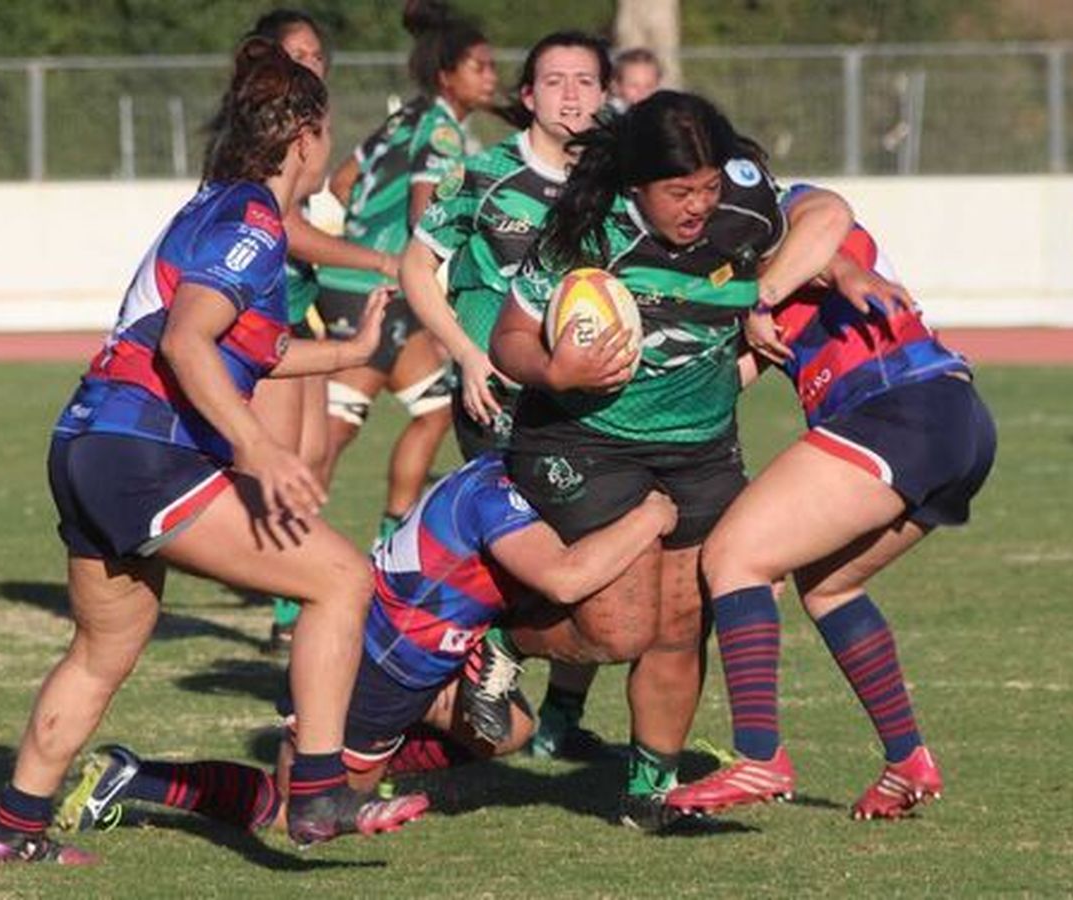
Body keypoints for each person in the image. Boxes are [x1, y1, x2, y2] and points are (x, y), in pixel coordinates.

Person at [0, 39, 395, 865]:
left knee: (102, 653)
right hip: (144, 450)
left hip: (88, 444)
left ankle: (12, 830)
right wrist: (261, 449)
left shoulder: (218, 205)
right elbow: (189, 340)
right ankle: (317, 791)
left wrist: (351, 351)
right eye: (327, 135)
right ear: (305, 135)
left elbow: (250, 347)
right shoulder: (251, 223)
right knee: (343, 580)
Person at [483, 90, 857, 830]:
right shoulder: (585, 235)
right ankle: (495, 639)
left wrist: (813, 279)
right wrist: (558, 373)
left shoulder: (742, 214)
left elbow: (830, 214)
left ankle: (648, 794)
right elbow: (508, 342)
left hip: (700, 446)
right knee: (619, 628)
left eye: (709, 187)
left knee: (683, 623)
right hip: (581, 438)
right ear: (635, 188)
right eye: (679, 192)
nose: (697, 206)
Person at [57, 455, 677, 839]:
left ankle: (363, 768)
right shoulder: (495, 498)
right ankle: (132, 777)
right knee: (296, 819)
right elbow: (568, 577)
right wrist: (652, 516)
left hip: (419, 663)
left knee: (510, 730)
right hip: (377, 669)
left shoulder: (493, 475)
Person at [665, 200, 994, 820]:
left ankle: (759, 756)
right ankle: (906, 760)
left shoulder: (779, 223)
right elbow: (733, 373)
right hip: (954, 422)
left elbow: (823, 237)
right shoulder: (740, 273)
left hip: (899, 406)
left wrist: (800, 286)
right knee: (830, 586)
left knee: (736, 556)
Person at [403, 30, 617, 760]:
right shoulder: (485, 173)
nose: (571, 95)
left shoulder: (618, 181)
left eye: (585, 81)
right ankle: (476, 658)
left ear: (605, 93)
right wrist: (463, 354)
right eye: (554, 80)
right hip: (496, 396)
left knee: (600, 551)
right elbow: (414, 266)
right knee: (545, 549)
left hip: (585, 399)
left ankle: (555, 713)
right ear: (527, 97)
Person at [218, 10, 400, 655]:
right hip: (263, 326)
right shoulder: (259, 145)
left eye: (318, 54)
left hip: (300, 314)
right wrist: (379, 258)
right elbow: (284, 227)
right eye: (299, 54)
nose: (313, 64)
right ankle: (286, 601)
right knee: (279, 461)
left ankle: (292, 589)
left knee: (314, 458)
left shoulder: (304, 132)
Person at [314, 0, 498, 550]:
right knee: (331, 436)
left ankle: (387, 547)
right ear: (448, 76)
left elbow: (343, 183)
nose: (492, 77)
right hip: (377, 292)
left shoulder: (403, 117)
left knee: (436, 407)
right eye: (480, 67)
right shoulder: (442, 133)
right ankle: (285, 595)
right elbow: (426, 218)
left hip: (361, 283)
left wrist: (361, 240)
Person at [608, 47, 662, 114]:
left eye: (649, 86)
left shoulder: (661, 112)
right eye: (634, 86)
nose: (642, 92)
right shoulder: (610, 114)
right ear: (615, 87)